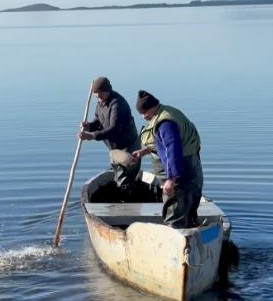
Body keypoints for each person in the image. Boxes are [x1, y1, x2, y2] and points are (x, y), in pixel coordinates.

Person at [131, 90, 203, 228]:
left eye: (144, 112)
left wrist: (171, 179)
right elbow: (163, 143)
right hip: (192, 163)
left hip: (181, 168)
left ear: (152, 107)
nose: (143, 117)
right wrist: (145, 151)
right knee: (190, 201)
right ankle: (192, 230)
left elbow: (172, 149)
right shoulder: (167, 112)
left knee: (175, 204)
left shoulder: (165, 123)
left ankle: (176, 235)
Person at [79, 77, 142, 198]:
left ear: (107, 91)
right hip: (114, 148)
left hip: (128, 147)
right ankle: (123, 198)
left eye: (99, 94)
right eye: (95, 95)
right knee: (118, 174)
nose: (97, 97)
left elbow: (114, 129)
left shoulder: (117, 104)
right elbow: (98, 122)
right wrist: (88, 126)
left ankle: (125, 206)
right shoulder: (100, 103)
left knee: (125, 179)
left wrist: (91, 136)